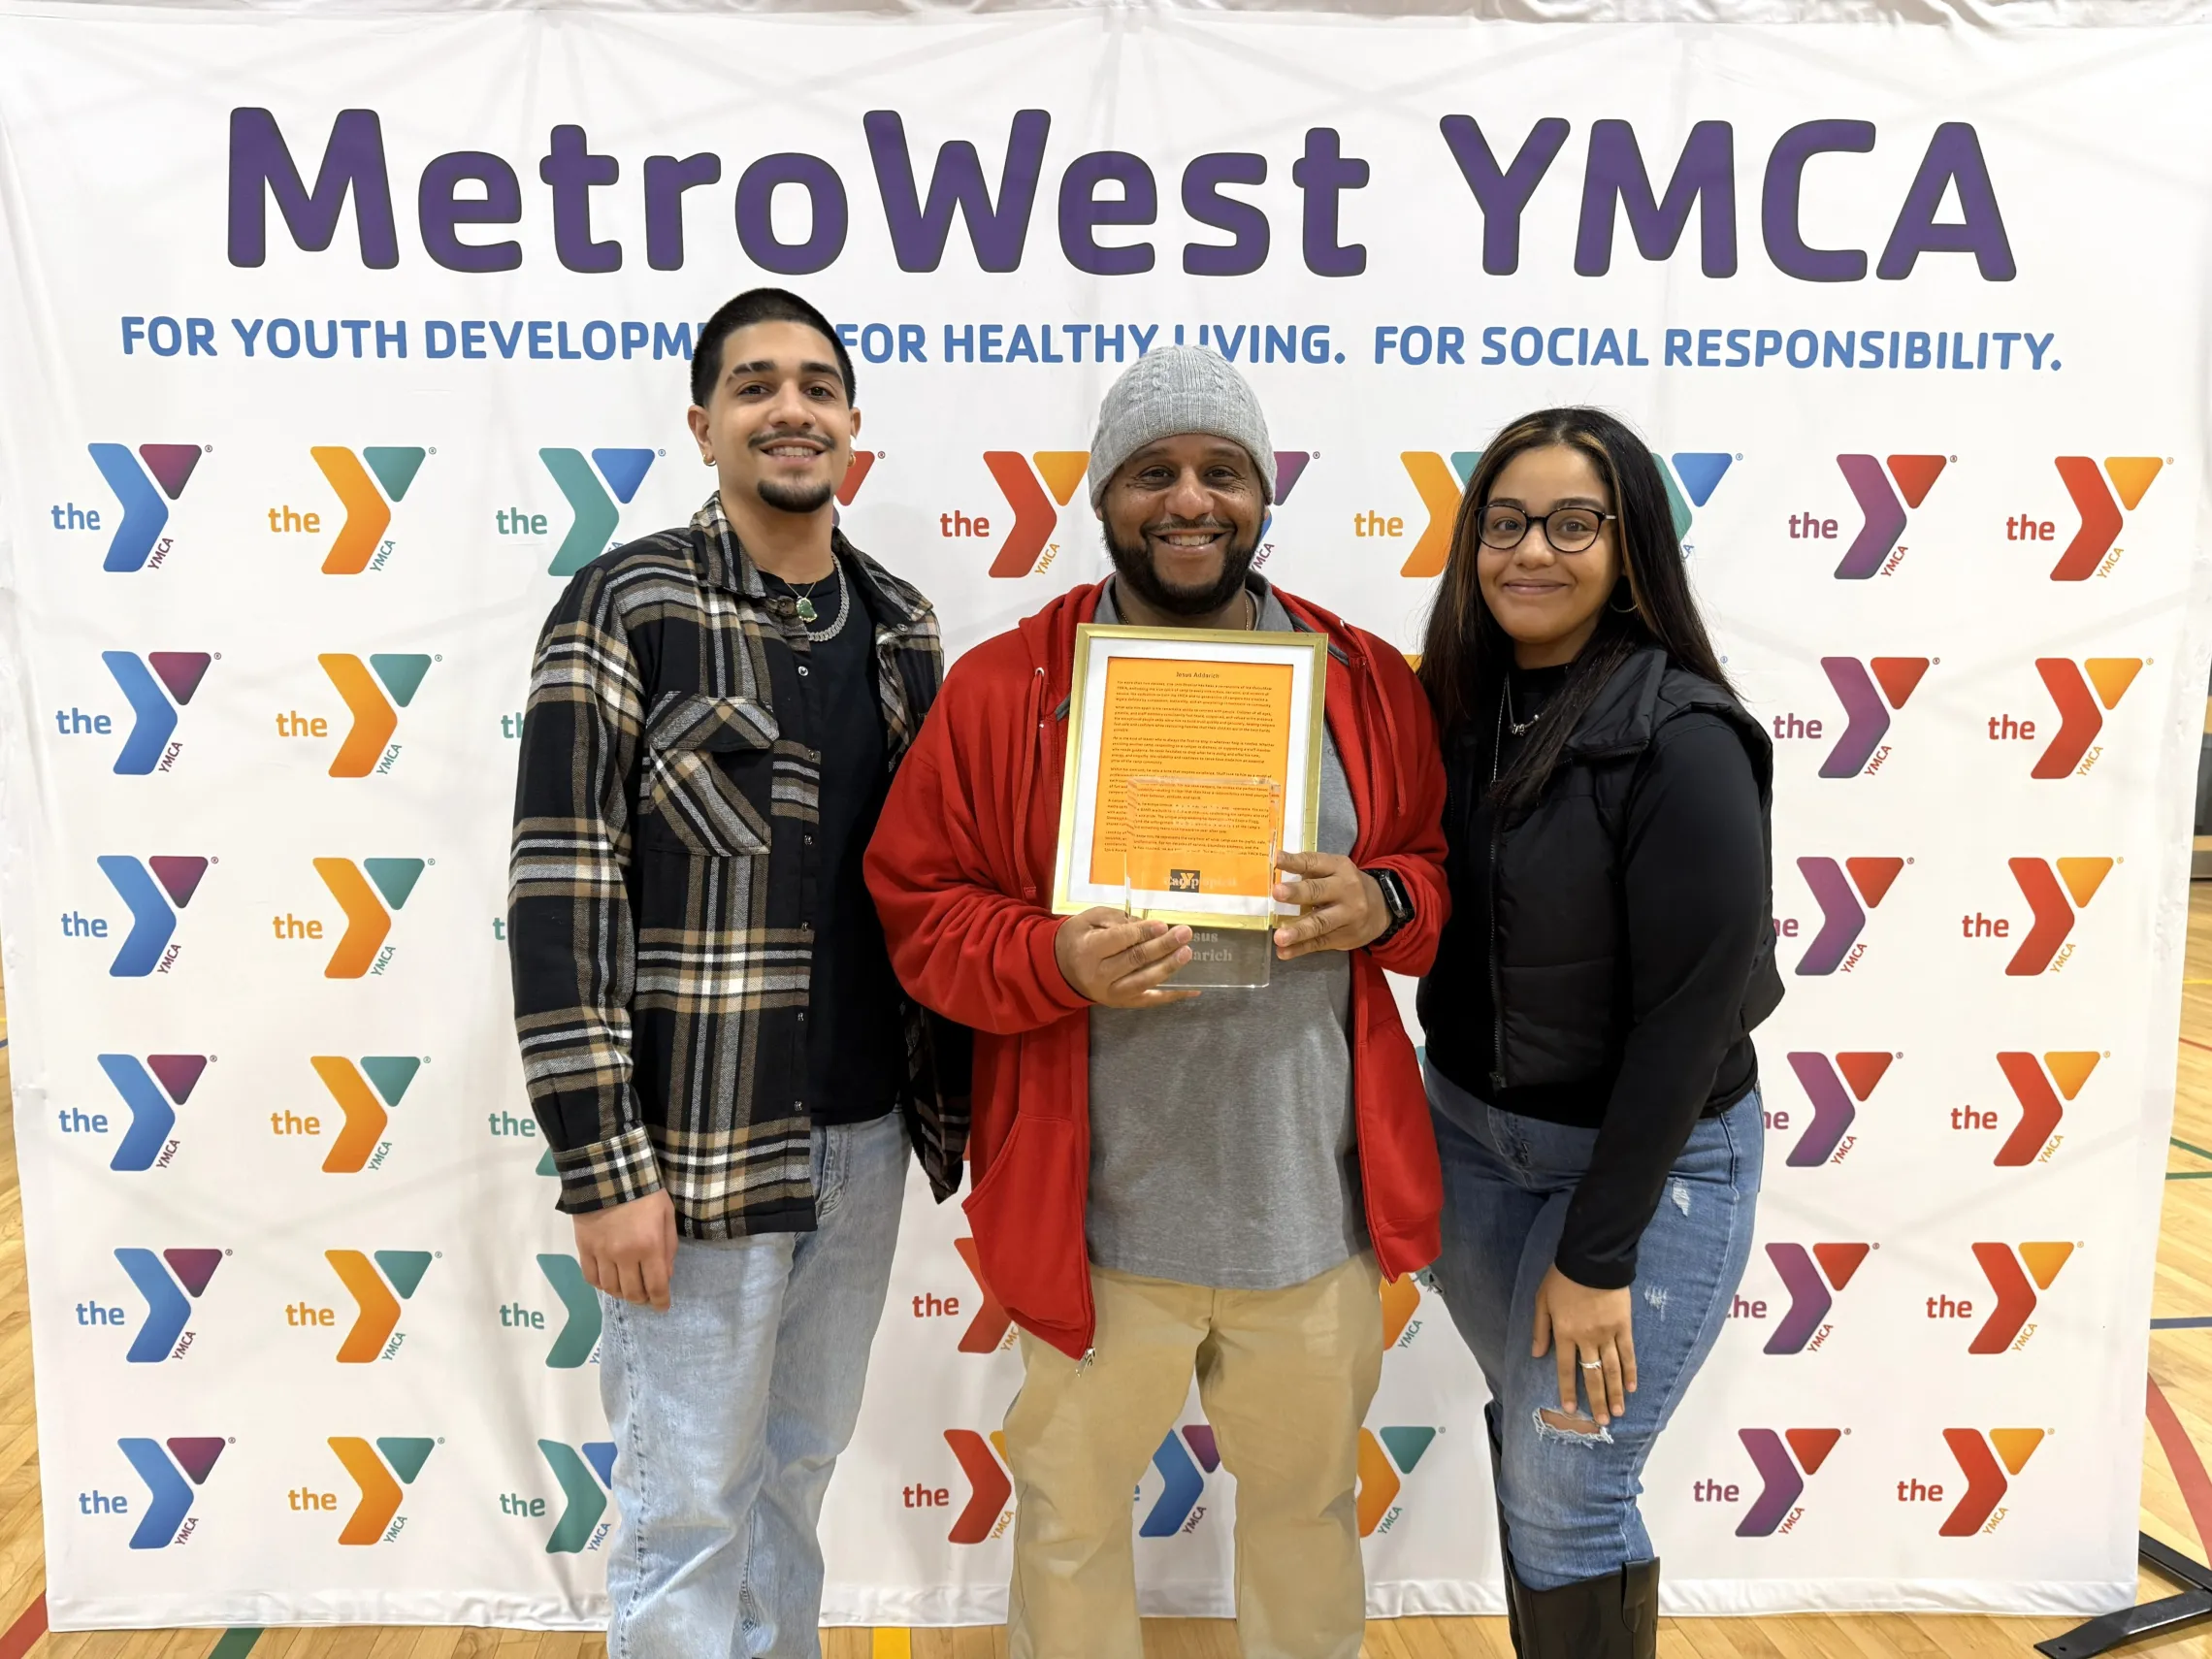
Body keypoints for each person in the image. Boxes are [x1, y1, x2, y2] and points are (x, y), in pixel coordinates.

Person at [865, 346, 1448, 1659]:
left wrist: (1385, 904)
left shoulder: (1359, 678)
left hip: (1313, 1211)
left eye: (1220, 470)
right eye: (1153, 472)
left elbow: (1430, 876)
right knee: (1071, 1520)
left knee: (1306, 1507)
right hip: (1099, 1219)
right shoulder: (1009, 687)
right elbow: (919, 908)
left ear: (1262, 493)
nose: (1189, 500)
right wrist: (1050, 959)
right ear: (1103, 496)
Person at [506, 286, 968, 1658]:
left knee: (798, 1477)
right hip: (690, 1155)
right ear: (704, 423)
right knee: (683, 1507)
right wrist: (603, 1166)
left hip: (866, 1138)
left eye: (818, 385)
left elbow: (927, 885)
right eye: (757, 384)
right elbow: (562, 894)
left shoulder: (902, 626)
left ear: (852, 426)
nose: (792, 408)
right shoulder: (624, 603)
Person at [1414, 407, 1781, 1658]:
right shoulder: (1454, 709)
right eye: (1506, 522)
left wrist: (1601, 1252)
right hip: (1469, 1144)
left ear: (1631, 550)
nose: (1534, 550)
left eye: (1577, 524)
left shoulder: (1683, 736)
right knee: (1534, 1448)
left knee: (1570, 1494)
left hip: (1646, 1168)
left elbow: (1688, 1023)